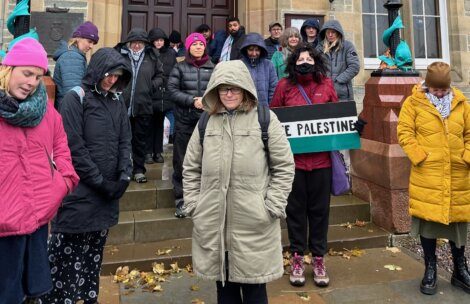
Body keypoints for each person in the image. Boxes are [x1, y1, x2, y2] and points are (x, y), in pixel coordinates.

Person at [182, 60, 295, 304]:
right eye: (224, 89)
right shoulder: (205, 122)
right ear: (215, 91)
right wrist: (194, 205)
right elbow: (191, 167)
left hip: (254, 223)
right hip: (214, 222)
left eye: (234, 88)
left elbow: (284, 166)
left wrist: (272, 206)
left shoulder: (265, 119)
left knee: (255, 292)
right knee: (225, 291)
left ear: (245, 88)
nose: (229, 93)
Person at [40, 47, 133, 304]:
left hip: (106, 197)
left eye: (117, 76)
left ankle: (88, 298)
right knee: (66, 262)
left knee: (93, 258)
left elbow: (126, 140)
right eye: (109, 74)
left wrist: (124, 177)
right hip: (80, 196)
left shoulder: (117, 100)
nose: (112, 80)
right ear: (97, 70)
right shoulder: (75, 98)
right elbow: (73, 147)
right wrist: (100, 182)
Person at [0, 37, 79, 304]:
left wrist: (59, 188)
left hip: (34, 225)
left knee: (29, 295)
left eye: (38, 75)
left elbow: (64, 158)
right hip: (2, 231)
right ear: (8, 70)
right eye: (26, 73)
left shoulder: (47, 113)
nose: (32, 82)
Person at [397, 61, 470, 295]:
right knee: (428, 223)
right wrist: (420, 157)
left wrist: (467, 156)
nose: (440, 93)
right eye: (436, 89)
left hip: (458, 172)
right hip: (428, 173)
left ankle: (460, 269)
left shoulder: (461, 103)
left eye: (443, 90)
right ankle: (430, 268)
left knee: (458, 222)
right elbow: (405, 132)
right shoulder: (413, 103)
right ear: (427, 86)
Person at [270, 44, 338, 287]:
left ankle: (319, 258)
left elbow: (336, 118)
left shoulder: (327, 85)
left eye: (309, 58)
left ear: (317, 61)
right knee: (295, 213)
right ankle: (297, 257)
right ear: (293, 63)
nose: (305, 62)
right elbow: (273, 119)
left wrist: (353, 126)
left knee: (320, 212)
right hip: (293, 164)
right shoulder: (283, 86)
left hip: (321, 163)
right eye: (300, 59)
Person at [167, 33, 215, 218]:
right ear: (188, 47)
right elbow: (172, 90)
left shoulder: (213, 67)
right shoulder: (179, 68)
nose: (197, 47)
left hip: (207, 122)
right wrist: (191, 101)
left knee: (207, 161)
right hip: (184, 121)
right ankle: (182, 200)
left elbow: (220, 90)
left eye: (200, 44)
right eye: (194, 44)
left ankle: (204, 201)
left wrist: (206, 101)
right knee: (182, 161)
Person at [116, 28, 164, 183]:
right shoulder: (119, 54)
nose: (136, 46)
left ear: (145, 44)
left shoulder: (152, 56)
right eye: (133, 42)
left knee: (140, 140)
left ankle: (138, 170)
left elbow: (160, 75)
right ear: (128, 43)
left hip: (143, 106)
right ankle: (122, 170)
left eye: (140, 43)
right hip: (121, 105)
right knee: (121, 140)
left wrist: (150, 86)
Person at [146, 27, 177, 164]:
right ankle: (147, 152)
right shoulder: (148, 53)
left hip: (165, 94)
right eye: (156, 40)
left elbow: (174, 73)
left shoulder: (171, 53)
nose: (158, 43)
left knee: (160, 124)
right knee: (148, 124)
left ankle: (158, 152)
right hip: (151, 93)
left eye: (161, 40)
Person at [53, 21, 99, 110]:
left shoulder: (75, 55)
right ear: (78, 38)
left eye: (93, 43)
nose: (91, 46)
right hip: (69, 112)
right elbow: (74, 94)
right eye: (89, 41)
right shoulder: (72, 57)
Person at [317, 20, 360, 102]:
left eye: (333, 32)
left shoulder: (348, 46)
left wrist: (338, 80)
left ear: (338, 32)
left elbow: (354, 67)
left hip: (342, 94)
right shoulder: (319, 48)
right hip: (323, 92)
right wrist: (323, 81)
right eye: (328, 32)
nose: (330, 35)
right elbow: (315, 67)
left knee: (344, 115)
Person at [239, 32, 278, 106]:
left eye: (257, 50)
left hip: (264, 110)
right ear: (245, 50)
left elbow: (273, 89)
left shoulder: (269, 65)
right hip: (244, 110)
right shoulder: (240, 65)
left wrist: (270, 109)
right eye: (250, 50)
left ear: (261, 50)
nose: (254, 53)